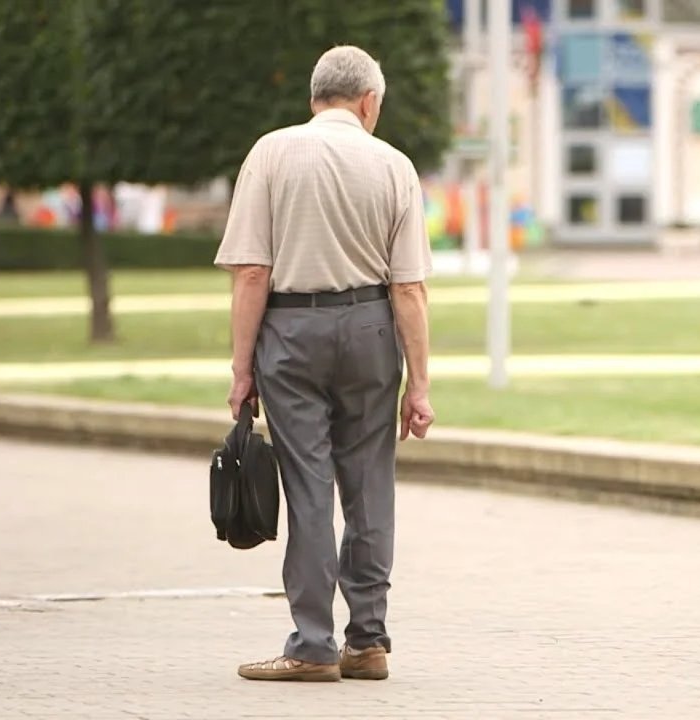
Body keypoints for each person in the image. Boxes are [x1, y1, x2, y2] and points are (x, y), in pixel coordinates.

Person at [214, 45, 435, 682]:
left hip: (291, 330)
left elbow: (253, 271)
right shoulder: (395, 165)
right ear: (369, 102)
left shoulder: (271, 153)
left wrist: (240, 367)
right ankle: (368, 641)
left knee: (309, 487)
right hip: (371, 329)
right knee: (370, 485)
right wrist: (418, 385)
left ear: (314, 98)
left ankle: (311, 644)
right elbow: (409, 290)